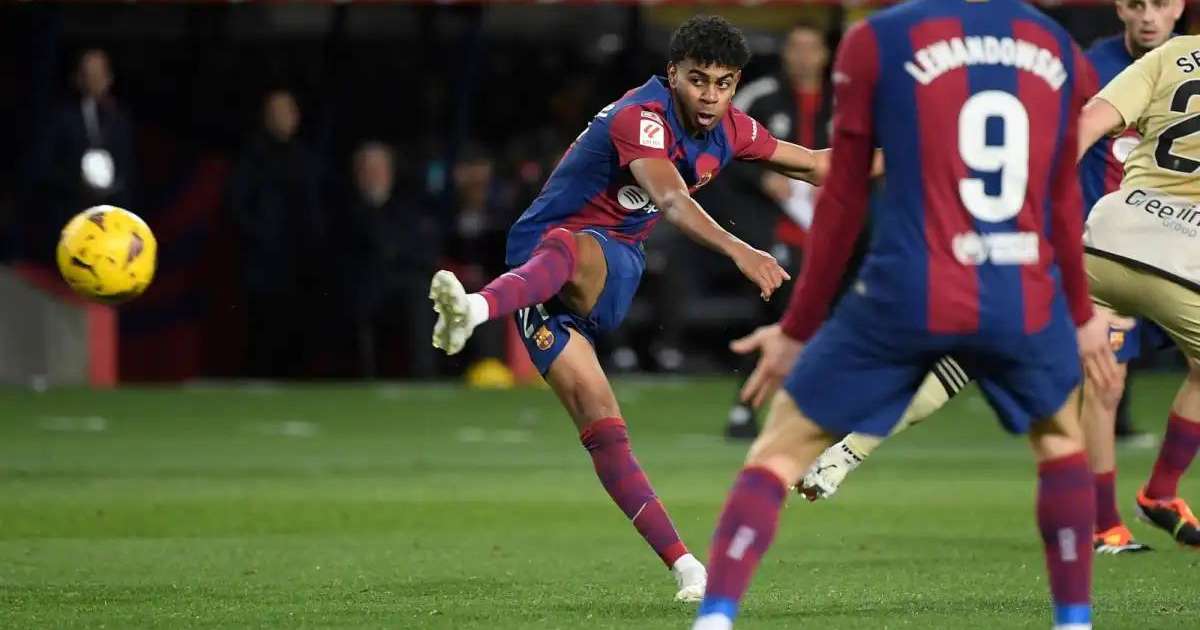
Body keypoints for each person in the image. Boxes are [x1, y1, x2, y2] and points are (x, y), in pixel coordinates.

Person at [693, 1, 1118, 629]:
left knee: (780, 448)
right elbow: (1060, 193)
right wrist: (1080, 315)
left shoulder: (877, 40)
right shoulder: (1057, 46)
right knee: (1060, 443)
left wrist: (796, 329)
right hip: (1017, 289)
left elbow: (842, 195)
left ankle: (715, 617)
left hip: (908, 288)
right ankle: (1075, 621)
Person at [428, 15, 831, 602]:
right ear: (673, 74)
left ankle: (474, 308)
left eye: (722, 84)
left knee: (571, 246)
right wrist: (742, 248)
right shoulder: (639, 117)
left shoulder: (734, 129)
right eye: (698, 80)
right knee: (602, 425)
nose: (710, 96)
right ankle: (687, 567)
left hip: (608, 263)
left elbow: (817, 164)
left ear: (736, 84)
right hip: (534, 275)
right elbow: (670, 199)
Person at [792, 0, 1182, 557]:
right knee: (1100, 381)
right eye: (1137, 3)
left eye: (1161, 3)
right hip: (1084, 244)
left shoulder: (1154, 66)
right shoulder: (1084, 66)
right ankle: (1106, 524)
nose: (1148, 16)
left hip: (1149, 242)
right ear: (1118, 6)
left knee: (987, 365)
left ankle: (1152, 496)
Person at [1076, 24, 1200, 548]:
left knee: (1100, 384)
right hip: (1182, 257)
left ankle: (1105, 523)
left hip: (1108, 236)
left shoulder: (1171, 54)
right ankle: (1158, 493)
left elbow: (1086, 123)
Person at [718, 21, 835, 439]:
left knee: (825, 321)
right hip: (778, 232)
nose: (804, 57)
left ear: (824, 55)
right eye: (796, 47)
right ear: (786, 54)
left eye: (811, 47)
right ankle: (747, 407)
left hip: (834, 234)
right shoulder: (760, 97)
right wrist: (762, 178)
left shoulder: (846, 100)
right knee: (779, 318)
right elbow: (719, 143)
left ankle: (820, 409)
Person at [230, 89, 324, 378]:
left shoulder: (306, 159)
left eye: (287, 111)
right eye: (275, 112)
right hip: (263, 262)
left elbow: (315, 210)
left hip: (301, 263)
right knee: (263, 331)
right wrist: (260, 236)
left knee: (299, 332)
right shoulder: (252, 157)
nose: (282, 118)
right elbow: (238, 206)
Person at [342, 141, 440, 378]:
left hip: (403, 285)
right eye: (367, 170)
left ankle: (423, 375)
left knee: (420, 294)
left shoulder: (407, 210)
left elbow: (422, 254)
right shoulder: (346, 213)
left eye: (379, 169)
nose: (373, 176)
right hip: (363, 286)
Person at [30, 48, 137, 264]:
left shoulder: (120, 121)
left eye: (99, 74)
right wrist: (76, 183)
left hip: (110, 216)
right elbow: (42, 166)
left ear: (109, 78)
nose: (94, 80)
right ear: (77, 78)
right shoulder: (61, 118)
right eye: (88, 74)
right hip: (69, 213)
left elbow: (129, 170)